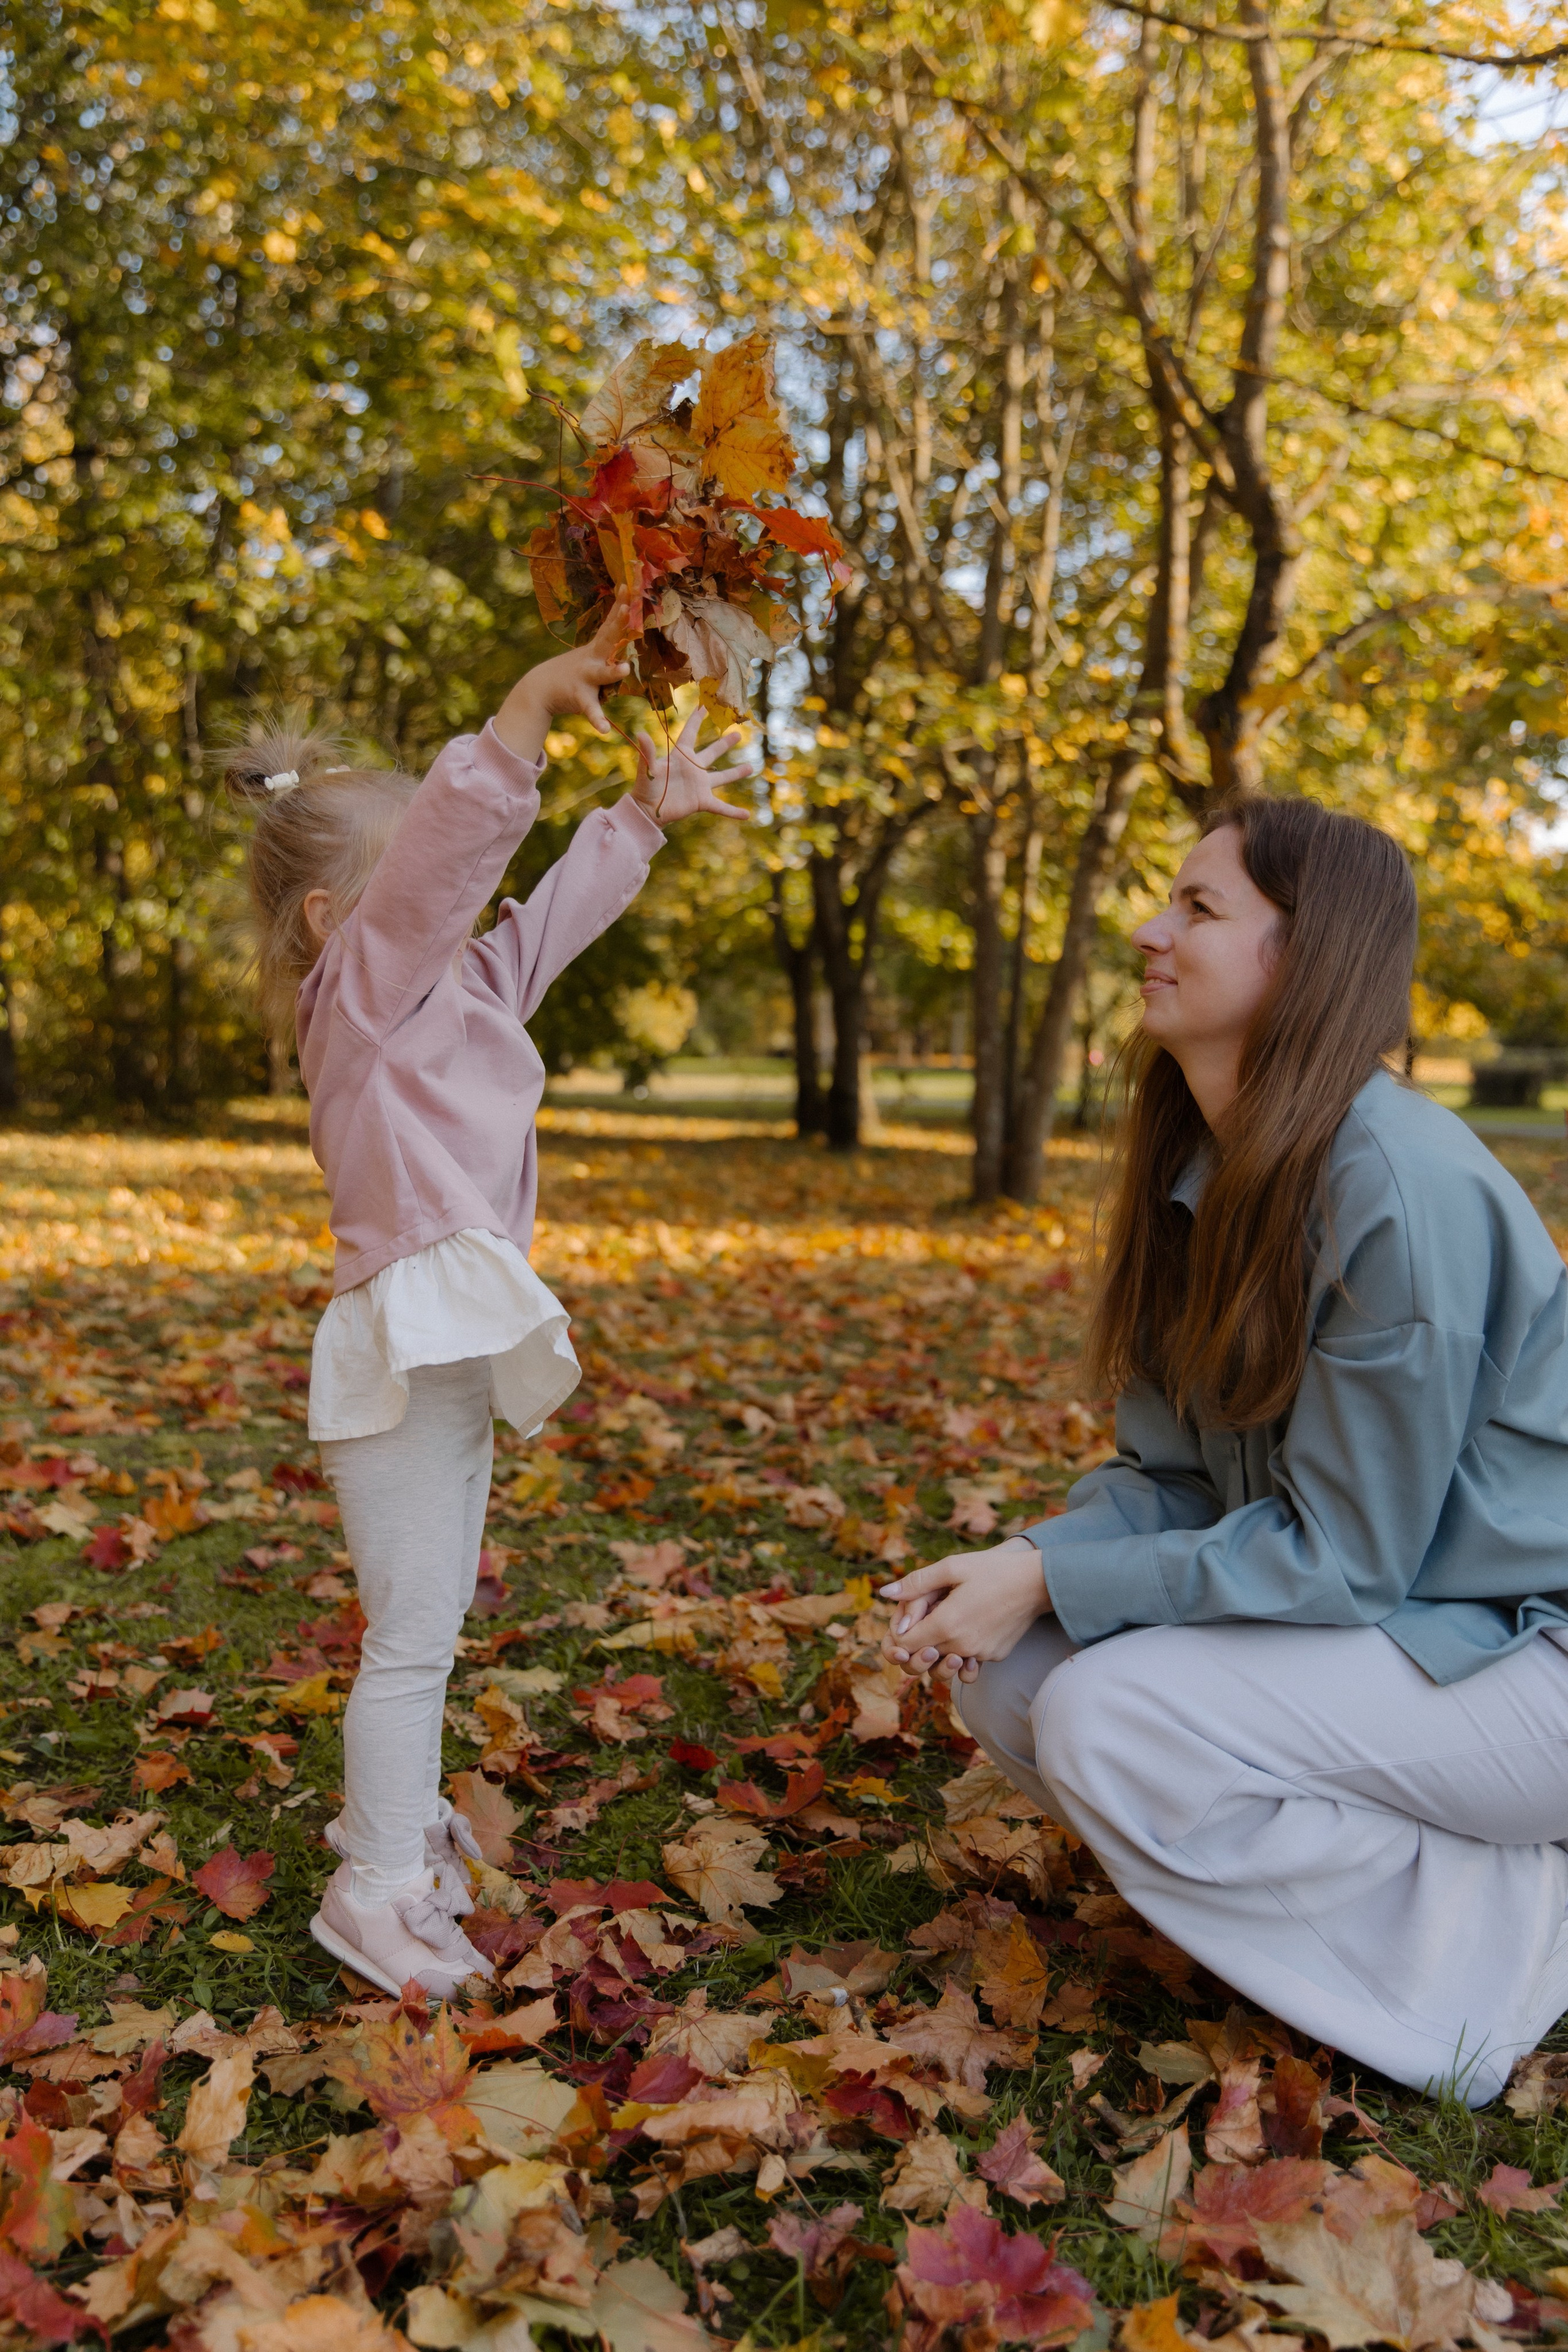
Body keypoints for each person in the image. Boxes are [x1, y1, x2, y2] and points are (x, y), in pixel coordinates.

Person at [880, 794, 1568, 2106]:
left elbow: (1346, 1559)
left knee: (1105, 1710)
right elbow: (1176, 1481)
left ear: (1303, 956)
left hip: (1518, 1649)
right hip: (1412, 1632)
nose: (1147, 931)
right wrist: (1023, 1560)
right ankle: (1457, 1895)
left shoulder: (1394, 1186)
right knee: (1005, 1671)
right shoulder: (1204, 1164)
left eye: (1196, 908)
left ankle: (1499, 1955)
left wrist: (1052, 1579)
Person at [226, 594, 748, 1996]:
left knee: (434, 1623)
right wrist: (518, 720)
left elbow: (545, 919)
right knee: (409, 1639)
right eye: (417, 885)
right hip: (401, 1349)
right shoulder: (366, 990)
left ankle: (384, 1824)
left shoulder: (453, 988)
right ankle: (374, 1889)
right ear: (346, 919)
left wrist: (640, 815)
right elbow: (450, 866)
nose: (449, 902)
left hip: (448, 1343)